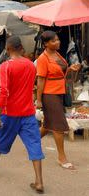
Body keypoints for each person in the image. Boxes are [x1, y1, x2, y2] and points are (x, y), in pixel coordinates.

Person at [0, 37, 45, 194]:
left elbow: (4, 91)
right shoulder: (30, 65)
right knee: (34, 144)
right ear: (20, 47)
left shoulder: (6, 66)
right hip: (28, 112)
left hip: (10, 112)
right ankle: (39, 181)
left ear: (7, 50)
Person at [36, 31, 80, 170]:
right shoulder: (43, 58)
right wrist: (39, 100)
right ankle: (62, 157)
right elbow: (41, 80)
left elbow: (61, 72)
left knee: (48, 124)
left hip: (59, 92)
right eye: (54, 41)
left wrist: (70, 69)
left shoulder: (57, 54)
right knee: (58, 126)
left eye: (58, 40)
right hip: (49, 94)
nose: (58, 42)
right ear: (46, 44)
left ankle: (31, 141)